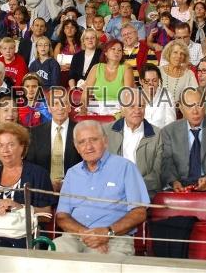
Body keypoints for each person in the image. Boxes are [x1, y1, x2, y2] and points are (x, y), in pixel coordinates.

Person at [54, 120, 150, 255]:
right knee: (56, 251)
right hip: (75, 237)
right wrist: (88, 235)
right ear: (76, 147)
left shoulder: (126, 167)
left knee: (98, 264)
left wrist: (106, 233)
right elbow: (62, 216)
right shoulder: (72, 173)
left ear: (105, 141)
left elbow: (139, 212)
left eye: (93, 140)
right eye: (82, 142)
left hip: (115, 237)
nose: (88, 147)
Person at [0, 122, 56, 248]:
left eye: (11, 144)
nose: (5, 150)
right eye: (0, 145)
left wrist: (19, 207)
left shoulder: (39, 174)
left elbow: (47, 215)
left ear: (22, 147)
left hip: (24, 237)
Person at [161, 88, 206, 209]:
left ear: (204, 105)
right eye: (189, 106)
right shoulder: (169, 131)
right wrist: (173, 181)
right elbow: (166, 163)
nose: (195, 111)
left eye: (199, 105)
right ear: (181, 109)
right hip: (180, 185)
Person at [104, 88, 162, 198]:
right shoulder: (106, 132)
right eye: (131, 106)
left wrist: (133, 187)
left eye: (141, 106)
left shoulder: (157, 135)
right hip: (111, 193)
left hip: (144, 193)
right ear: (122, 108)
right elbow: (99, 167)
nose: (137, 110)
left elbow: (157, 174)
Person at [26, 88, 81, 192]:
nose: (60, 108)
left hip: (74, 188)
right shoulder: (35, 133)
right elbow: (30, 164)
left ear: (69, 107)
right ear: (49, 108)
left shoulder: (80, 131)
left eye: (63, 103)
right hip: (42, 187)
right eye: (55, 103)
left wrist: (65, 183)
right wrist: (46, 182)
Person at [82, 39, 135, 115]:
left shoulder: (126, 68)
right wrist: (83, 110)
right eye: (113, 49)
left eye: (120, 50)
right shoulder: (96, 68)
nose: (116, 52)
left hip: (118, 109)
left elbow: (127, 95)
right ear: (106, 52)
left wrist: (123, 113)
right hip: (98, 108)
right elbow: (85, 94)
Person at [139, 64, 176, 129]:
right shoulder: (135, 97)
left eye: (154, 80)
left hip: (161, 136)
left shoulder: (168, 96)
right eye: (147, 81)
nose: (151, 84)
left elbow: (170, 124)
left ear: (159, 80)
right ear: (141, 81)